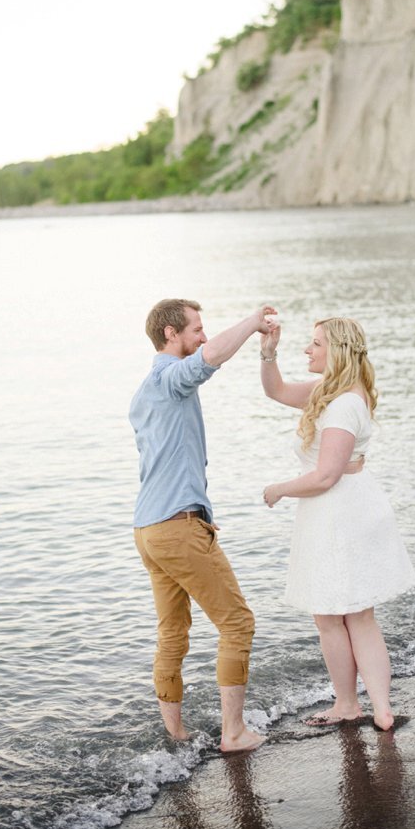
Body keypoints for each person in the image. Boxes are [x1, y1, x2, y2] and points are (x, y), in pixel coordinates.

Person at [129, 299, 275, 753]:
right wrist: (253, 324)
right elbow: (207, 361)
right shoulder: (168, 379)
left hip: (148, 531)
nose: (203, 337)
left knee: (173, 632)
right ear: (171, 334)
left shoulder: (143, 393)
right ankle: (234, 734)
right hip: (178, 526)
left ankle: (176, 735)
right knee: (238, 624)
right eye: (196, 329)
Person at [259, 316, 415, 732]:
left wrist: (279, 488)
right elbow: (275, 390)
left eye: (315, 344)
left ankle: (350, 704)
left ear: (337, 351)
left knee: (332, 616)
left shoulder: (343, 404)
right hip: (349, 508)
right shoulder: (332, 391)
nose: (307, 350)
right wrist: (268, 350)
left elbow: (326, 476)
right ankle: (380, 709)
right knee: (359, 615)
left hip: (337, 512)